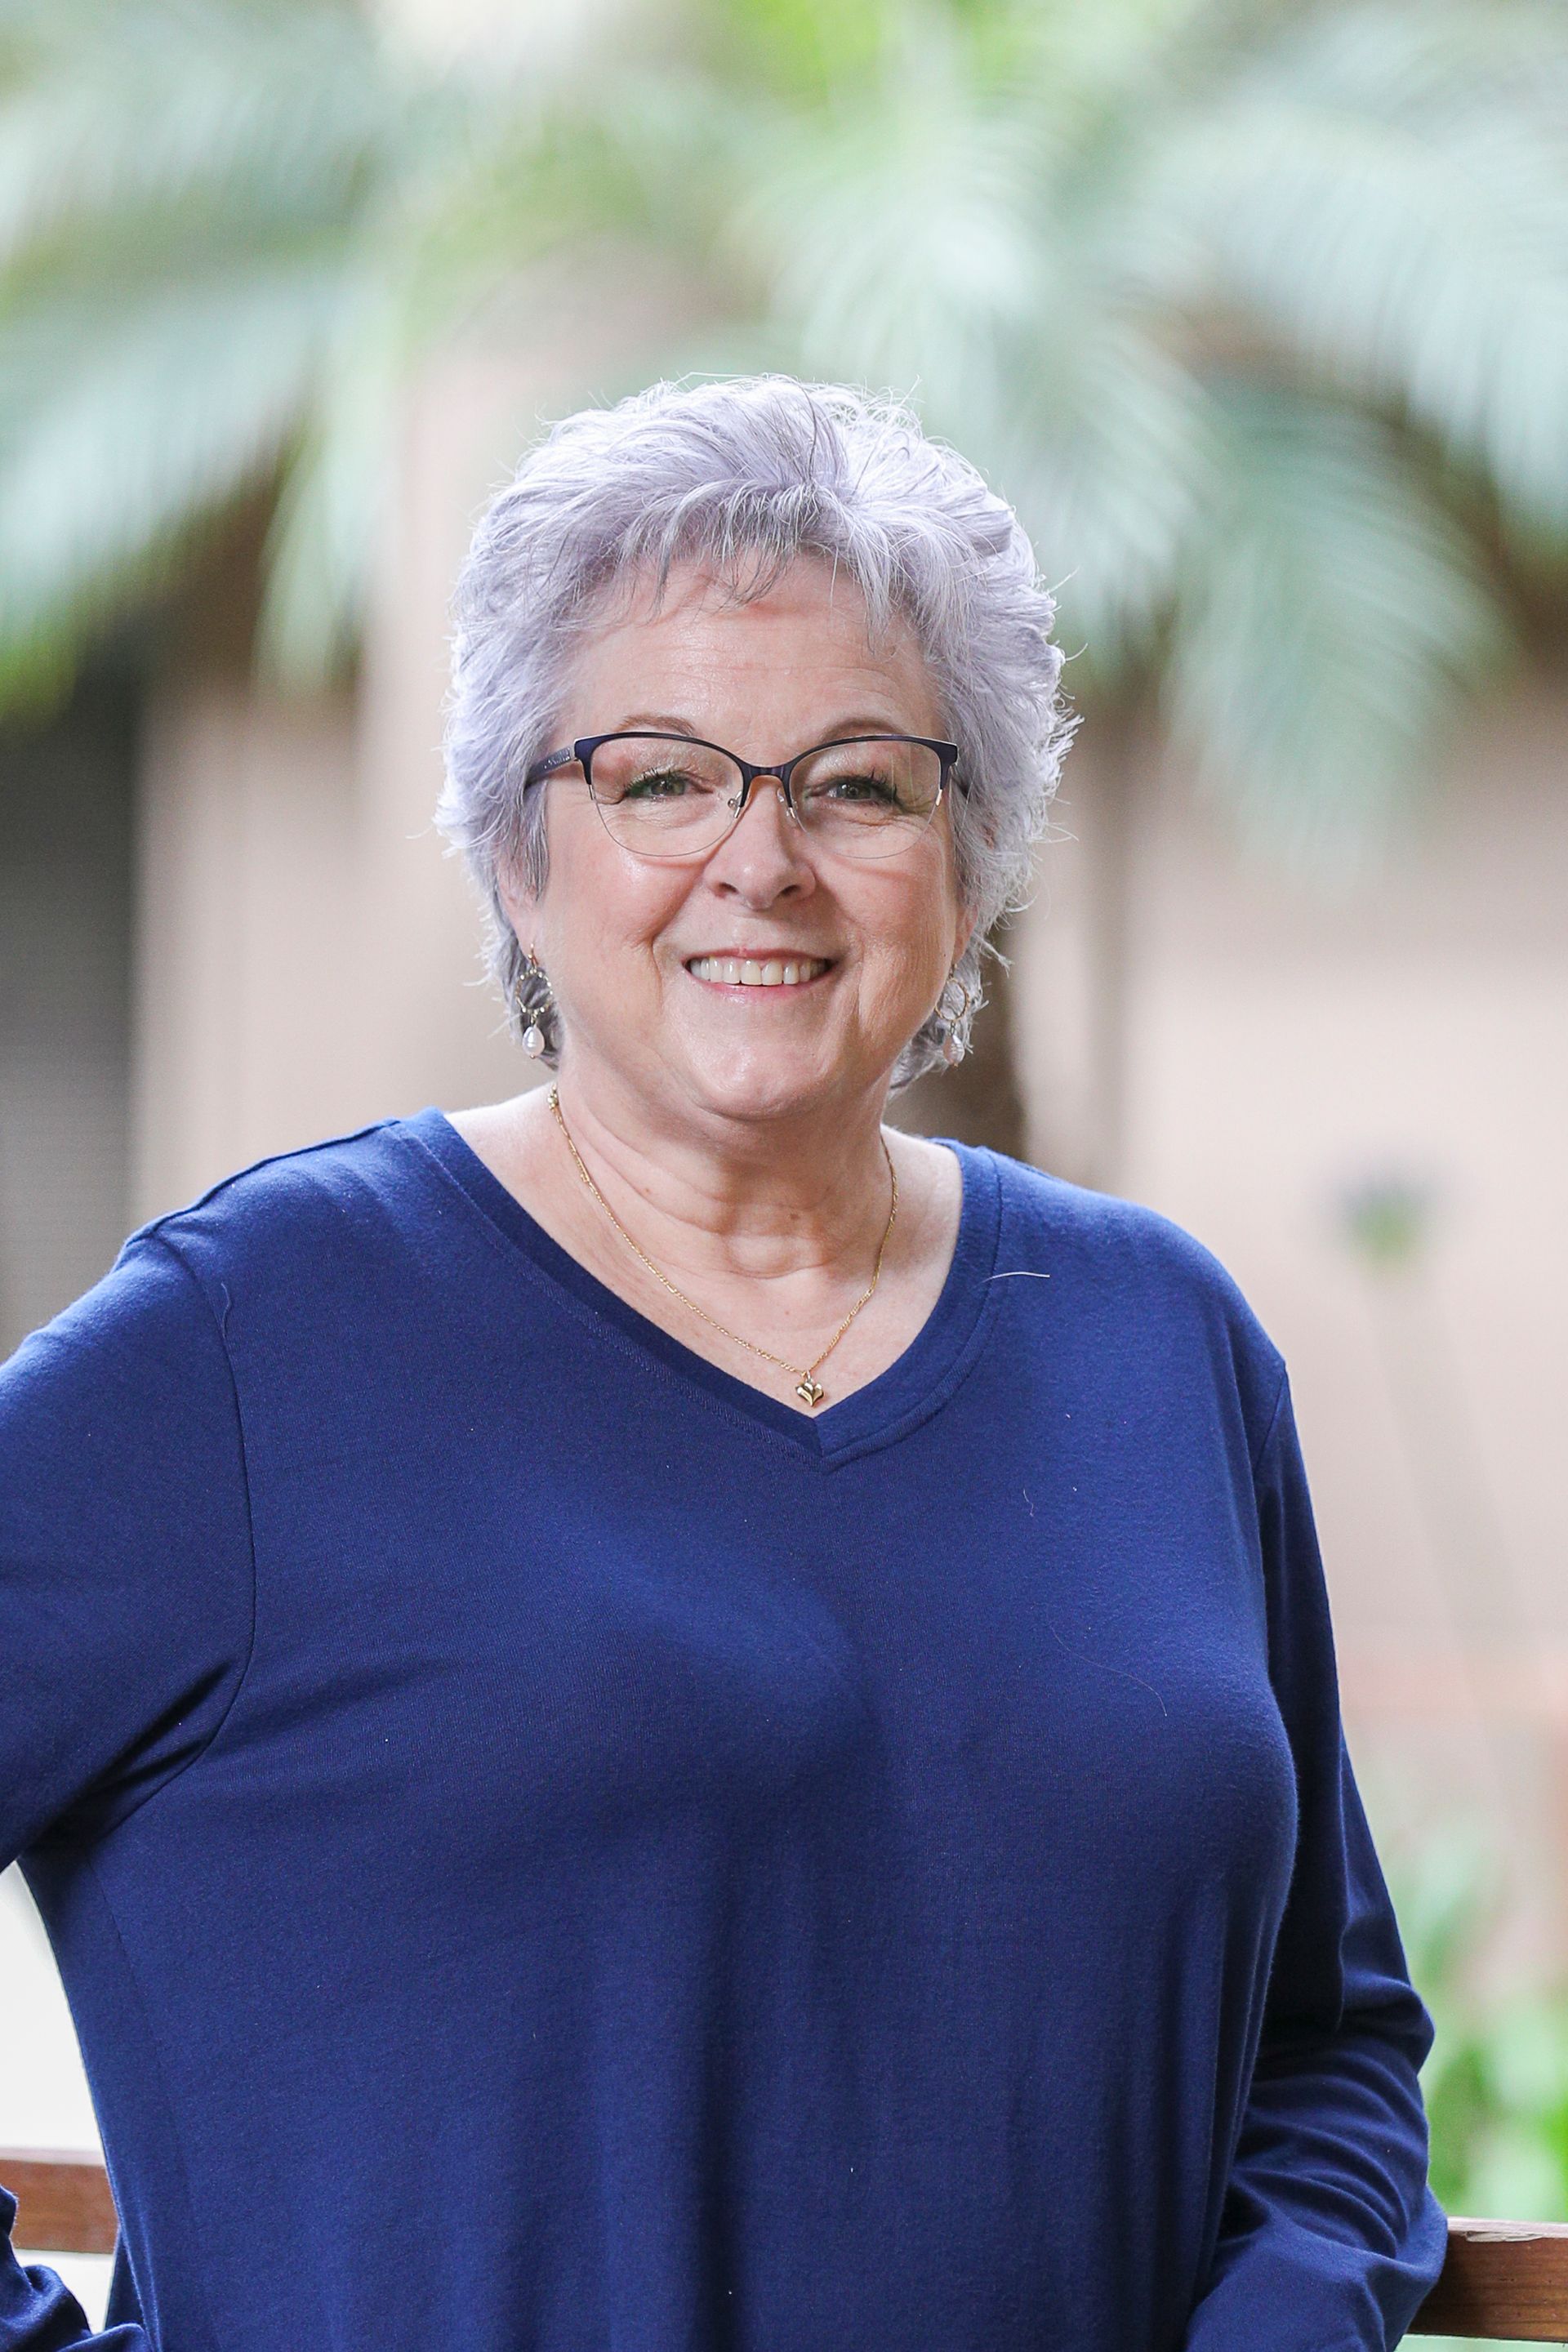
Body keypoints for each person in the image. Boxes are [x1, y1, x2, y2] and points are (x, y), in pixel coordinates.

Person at [0, 376, 1445, 2351]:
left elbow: (1328, 2050)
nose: (762, 859)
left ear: (969, 857)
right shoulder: (251, 1343)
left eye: (857, 780)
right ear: (520, 855)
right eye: (661, 777)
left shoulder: (1157, 1343)